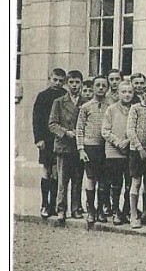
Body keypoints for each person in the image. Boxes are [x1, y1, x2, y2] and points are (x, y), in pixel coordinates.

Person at [48, 69, 84, 222]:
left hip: (79, 146)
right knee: (62, 180)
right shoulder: (59, 102)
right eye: (71, 82)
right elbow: (52, 124)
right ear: (67, 84)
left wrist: (80, 133)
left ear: (81, 84)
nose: (74, 85)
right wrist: (65, 132)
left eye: (77, 82)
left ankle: (76, 209)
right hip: (64, 145)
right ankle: (61, 209)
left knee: (77, 179)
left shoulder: (85, 102)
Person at [33, 68, 66, 217]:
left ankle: (54, 204)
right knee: (47, 170)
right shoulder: (42, 96)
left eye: (60, 80)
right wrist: (38, 139)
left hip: (60, 139)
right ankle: (44, 205)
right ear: (50, 78)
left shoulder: (65, 95)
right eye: (55, 80)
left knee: (57, 171)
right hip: (46, 139)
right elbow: (36, 119)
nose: (57, 83)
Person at [76, 75, 109, 226]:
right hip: (90, 147)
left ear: (107, 88)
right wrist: (81, 149)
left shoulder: (111, 105)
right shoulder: (86, 107)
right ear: (93, 87)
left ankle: (101, 210)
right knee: (91, 178)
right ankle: (91, 209)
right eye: (98, 85)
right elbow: (80, 129)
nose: (101, 88)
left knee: (104, 179)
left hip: (106, 147)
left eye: (104, 85)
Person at [125, 82, 146, 228]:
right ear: (142, 95)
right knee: (136, 183)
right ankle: (133, 215)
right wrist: (140, 149)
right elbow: (130, 130)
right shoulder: (135, 108)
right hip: (136, 151)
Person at [100, 81, 134, 224]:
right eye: (123, 92)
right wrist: (118, 142)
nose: (127, 95)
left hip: (130, 151)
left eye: (129, 92)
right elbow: (105, 131)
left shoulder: (135, 109)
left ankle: (127, 211)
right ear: (118, 93)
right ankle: (115, 211)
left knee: (129, 183)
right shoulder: (111, 109)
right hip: (114, 151)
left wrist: (128, 141)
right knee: (116, 183)